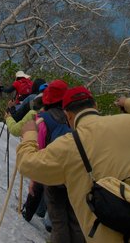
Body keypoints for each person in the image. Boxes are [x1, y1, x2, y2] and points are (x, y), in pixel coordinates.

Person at [17, 86, 130, 243]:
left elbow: (26, 164)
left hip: (104, 237)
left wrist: (30, 134)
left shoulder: (67, 146)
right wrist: (128, 103)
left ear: (68, 115)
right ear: (95, 106)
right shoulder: (129, 124)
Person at [36, 80, 84, 243]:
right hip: (76, 173)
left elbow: (39, 150)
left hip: (54, 171)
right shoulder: (73, 117)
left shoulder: (43, 118)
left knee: (58, 222)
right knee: (74, 221)